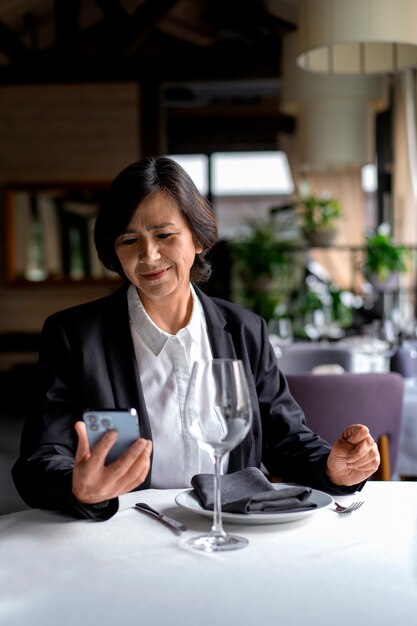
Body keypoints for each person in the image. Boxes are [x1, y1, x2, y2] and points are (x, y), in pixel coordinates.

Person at [12, 157, 380, 520]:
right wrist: (77, 486)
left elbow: (287, 440)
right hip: (127, 532)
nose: (149, 256)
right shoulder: (76, 336)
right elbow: (38, 462)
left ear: (198, 239)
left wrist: (333, 469)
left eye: (164, 235)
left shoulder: (244, 330)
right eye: (129, 240)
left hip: (232, 526)